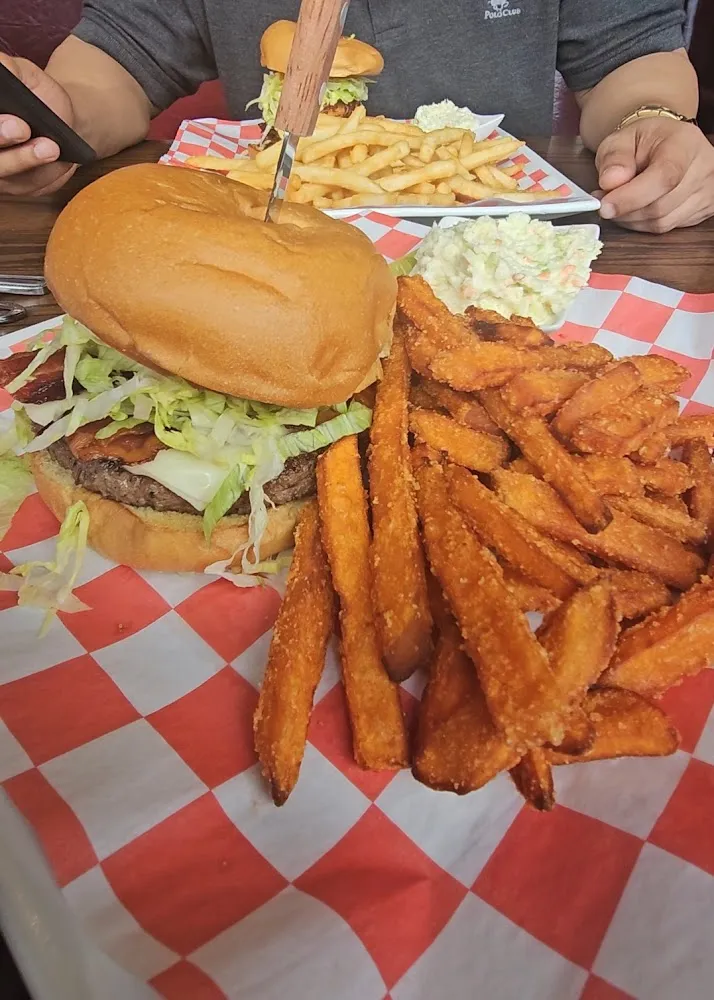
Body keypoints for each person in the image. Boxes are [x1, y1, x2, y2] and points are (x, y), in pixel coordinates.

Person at [1, 0, 713, 233]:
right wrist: (51, 124)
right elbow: (119, 58)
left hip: (501, 256)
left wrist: (651, 121)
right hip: (275, 248)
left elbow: (630, 53)